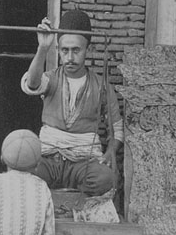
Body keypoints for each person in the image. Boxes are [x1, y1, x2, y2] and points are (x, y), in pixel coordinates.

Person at [21, 10, 124, 197]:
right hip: (48, 159)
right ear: (58, 50)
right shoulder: (51, 79)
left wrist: (111, 150)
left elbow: (116, 127)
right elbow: (32, 84)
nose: (69, 58)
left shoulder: (101, 86)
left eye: (76, 51)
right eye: (64, 51)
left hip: (82, 164)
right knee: (24, 176)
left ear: (88, 50)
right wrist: (42, 48)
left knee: (106, 178)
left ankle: (73, 201)